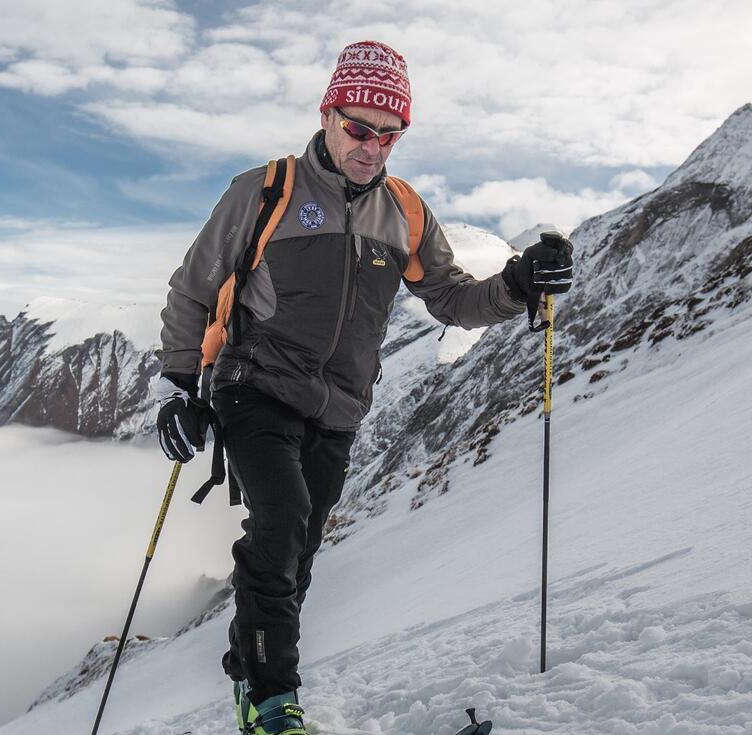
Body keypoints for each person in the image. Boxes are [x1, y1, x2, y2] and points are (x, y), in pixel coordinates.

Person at [152, 40, 574, 735]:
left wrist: (518, 285)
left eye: (389, 134)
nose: (373, 147)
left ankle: (249, 672)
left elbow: (452, 299)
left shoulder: (403, 211)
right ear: (327, 114)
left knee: (300, 550)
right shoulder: (265, 192)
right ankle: (269, 705)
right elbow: (193, 288)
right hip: (254, 388)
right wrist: (176, 387)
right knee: (282, 518)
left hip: (338, 411)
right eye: (358, 128)